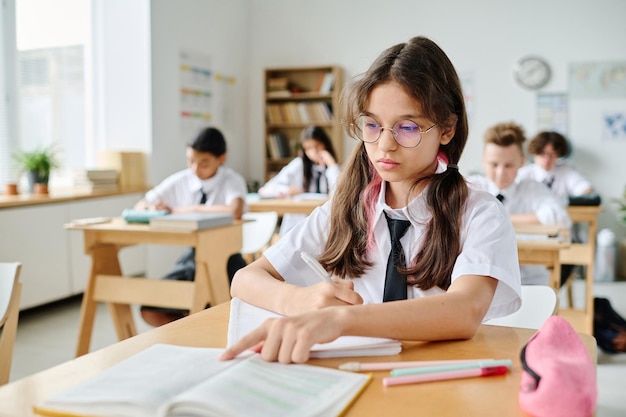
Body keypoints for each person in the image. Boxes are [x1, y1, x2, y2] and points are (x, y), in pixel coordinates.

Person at [220, 36, 522, 364]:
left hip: (439, 381)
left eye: (408, 127)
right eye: (372, 125)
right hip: (358, 373)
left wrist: (340, 321)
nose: (384, 145)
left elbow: (465, 311)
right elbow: (245, 279)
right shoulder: (348, 207)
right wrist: (298, 301)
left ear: (447, 129)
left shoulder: (479, 212)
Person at [135, 126, 248, 327]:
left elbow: (235, 210)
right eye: (191, 161)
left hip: (226, 257)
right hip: (191, 258)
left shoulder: (231, 180)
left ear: (221, 158)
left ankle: (201, 326)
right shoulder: (181, 179)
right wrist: (153, 206)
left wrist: (188, 209)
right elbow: (141, 205)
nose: (196, 169)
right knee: (150, 309)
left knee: (237, 309)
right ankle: (191, 328)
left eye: (204, 162)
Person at [467, 122, 571, 285]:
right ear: (484, 161)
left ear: (521, 162)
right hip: (482, 282)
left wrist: (504, 217)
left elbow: (560, 217)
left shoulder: (532, 188)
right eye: (494, 164)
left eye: (508, 165)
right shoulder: (473, 188)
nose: (501, 173)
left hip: (529, 282)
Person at [258, 126, 341, 234]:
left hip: (323, 225)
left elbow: (340, 193)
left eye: (317, 146)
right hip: (298, 224)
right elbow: (266, 189)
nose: (314, 152)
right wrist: (287, 190)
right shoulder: (298, 165)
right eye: (309, 148)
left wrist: (331, 163)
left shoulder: (334, 169)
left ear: (325, 144)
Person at [517, 131, 594, 199]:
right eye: (542, 153)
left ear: (558, 154)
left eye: (552, 154)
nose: (547, 159)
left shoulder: (566, 171)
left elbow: (586, 190)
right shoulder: (523, 173)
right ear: (535, 153)